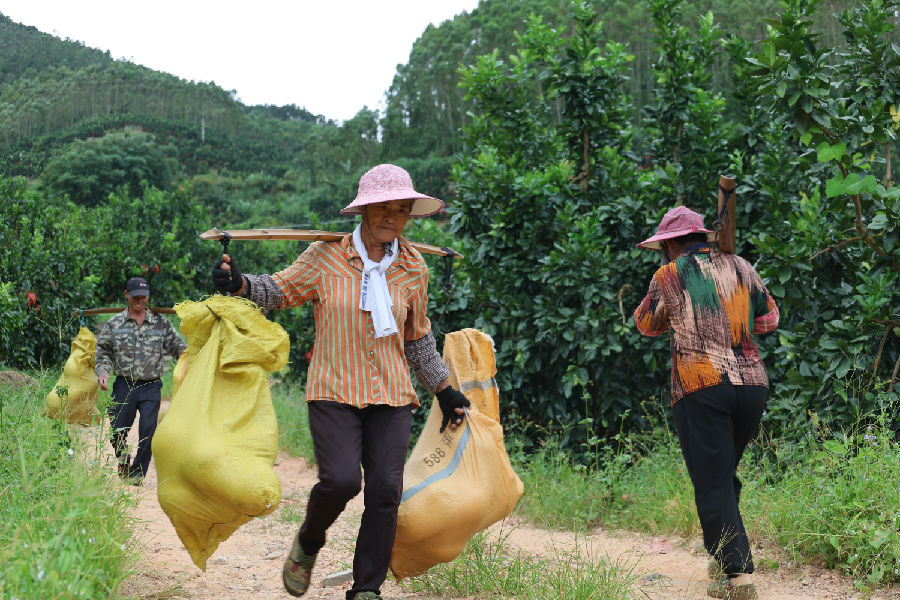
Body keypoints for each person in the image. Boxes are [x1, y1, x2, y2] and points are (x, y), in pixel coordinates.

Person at [211, 164, 471, 600]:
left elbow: (418, 337)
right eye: (382, 207)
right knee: (342, 481)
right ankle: (310, 541)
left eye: (400, 209)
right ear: (364, 211)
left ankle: (367, 588)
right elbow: (278, 290)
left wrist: (444, 390)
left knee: (386, 490)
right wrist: (238, 284)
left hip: (391, 396)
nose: (391, 216)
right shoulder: (324, 257)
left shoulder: (413, 267)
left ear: (409, 214)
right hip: (333, 391)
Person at [633, 206, 779, 600]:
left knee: (711, 481)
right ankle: (721, 559)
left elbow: (645, 325)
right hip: (751, 385)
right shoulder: (741, 266)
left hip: (701, 386)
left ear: (670, 245)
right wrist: (728, 305)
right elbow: (769, 321)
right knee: (722, 474)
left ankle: (739, 578)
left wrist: (678, 304)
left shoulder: (667, 275)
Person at [95, 276, 187, 485]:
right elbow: (103, 352)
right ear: (127, 295)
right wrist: (102, 372)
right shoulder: (115, 323)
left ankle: (136, 475)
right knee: (117, 430)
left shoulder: (160, 323)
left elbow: (180, 350)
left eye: (143, 297)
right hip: (124, 384)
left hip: (151, 386)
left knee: (148, 431)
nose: (139, 301)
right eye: (135, 297)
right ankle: (123, 460)